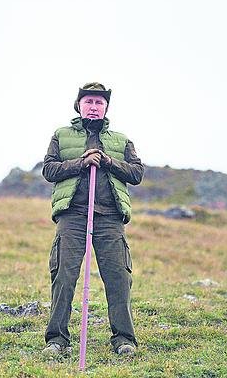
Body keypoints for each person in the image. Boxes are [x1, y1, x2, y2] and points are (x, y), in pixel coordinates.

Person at [41, 82, 144, 357]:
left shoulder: (121, 141)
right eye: (89, 102)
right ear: (79, 105)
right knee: (63, 276)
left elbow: (136, 173)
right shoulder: (61, 136)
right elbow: (49, 170)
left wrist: (108, 161)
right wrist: (81, 163)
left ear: (106, 107)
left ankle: (124, 339)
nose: (94, 107)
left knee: (119, 277)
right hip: (72, 214)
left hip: (110, 216)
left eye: (99, 103)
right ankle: (57, 340)